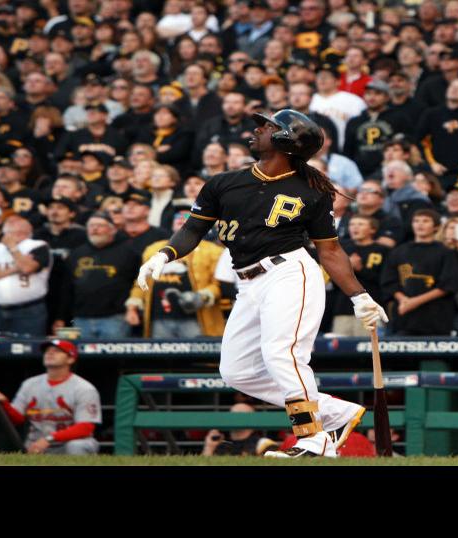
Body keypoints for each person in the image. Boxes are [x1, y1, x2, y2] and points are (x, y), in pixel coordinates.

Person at [135, 109, 386, 458]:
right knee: (236, 371)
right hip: (247, 282)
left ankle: (313, 437)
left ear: (286, 140)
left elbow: (329, 250)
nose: (255, 130)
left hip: (289, 273)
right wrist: (163, 255)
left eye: (266, 126)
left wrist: (360, 296)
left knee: (282, 353)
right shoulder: (224, 182)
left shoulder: (311, 190)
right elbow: (194, 228)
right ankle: (335, 414)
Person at [127, 203, 226, 338]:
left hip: (196, 319)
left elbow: (222, 284)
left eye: (187, 216)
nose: (181, 218)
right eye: (177, 216)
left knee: (199, 358)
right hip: (159, 318)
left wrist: (203, 296)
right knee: (160, 357)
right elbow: (140, 282)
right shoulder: (153, 248)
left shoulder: (213, 251)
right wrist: (132, 306)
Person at [0, 339, 101, 455]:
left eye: (57, 351)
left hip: (68, 443)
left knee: (77, 446)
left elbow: (85, 428)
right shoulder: (30, 384)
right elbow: (18, 419)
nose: (50, 353)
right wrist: (4, 403)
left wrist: (49, 439)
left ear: (71, 359)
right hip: (37, 445)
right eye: (47, 351)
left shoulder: (84, 388)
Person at [381, 209, 458, 336]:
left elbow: (447, 285)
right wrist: (403, 300)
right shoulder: (399, 251)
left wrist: (413, 302)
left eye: (425, 221)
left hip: (436, 318)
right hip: (404, 318)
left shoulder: (445, 252)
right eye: (416, 221)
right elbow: (389, 281)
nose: (420, 224)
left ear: (436, 227)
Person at [63, 213, 139, 338]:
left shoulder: (129, 253)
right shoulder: (76, 254)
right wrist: (62, 316)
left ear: (112, 230)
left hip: (115, 317)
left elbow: (138, 283)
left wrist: (133, 309)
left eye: (99, 225)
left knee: (114, 355)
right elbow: (66, 287)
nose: (95, 229)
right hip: (81, 318)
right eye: (91, 226)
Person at [0, 215, 52, 337]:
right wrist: (14, 269)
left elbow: (27, 268)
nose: (14, 236)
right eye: (11, 232)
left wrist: (13, 248)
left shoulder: (38, 246)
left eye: (20, 232)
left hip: (28, 310)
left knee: (29, 350)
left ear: (28, 233)